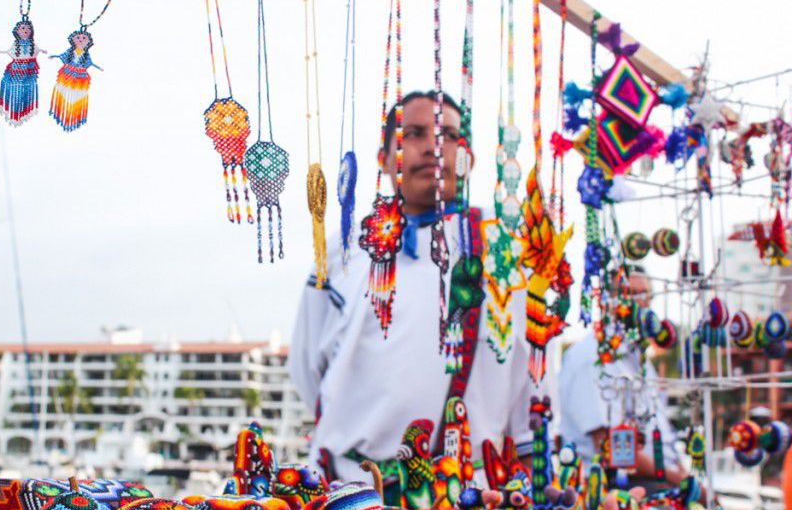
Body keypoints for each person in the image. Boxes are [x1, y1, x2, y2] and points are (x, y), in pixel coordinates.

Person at [289, 91, 534, 485]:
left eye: (449, 135)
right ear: (383, 159)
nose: (433, 147)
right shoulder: (342, 251)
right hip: (349, 489)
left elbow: (530, 371)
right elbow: (307, 365)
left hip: (470, 495)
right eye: (414, 133)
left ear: (467, 155)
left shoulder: (504, 245)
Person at [558, 267, 688, 489]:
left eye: (645, 295)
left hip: (659, 480)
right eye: (630, 294)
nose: (640, 303)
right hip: (616, 486)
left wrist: (686, 479)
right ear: (608, 301)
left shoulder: (639, 359)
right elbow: (612, 450)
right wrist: (680, 480)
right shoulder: (589, 357)